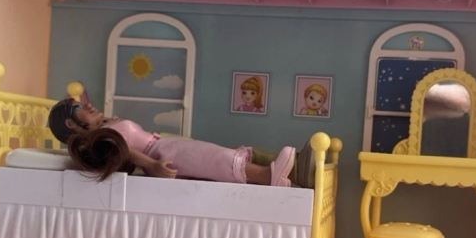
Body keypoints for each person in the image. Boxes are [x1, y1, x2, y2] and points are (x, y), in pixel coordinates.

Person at [47, 96, 295, 187]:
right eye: (79, 107)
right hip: (159, 153)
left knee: (212, 156)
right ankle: (266, 176)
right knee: (215, 160)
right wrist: (152, 165)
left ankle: (268, 174)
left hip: (164, 146)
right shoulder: (102, 139)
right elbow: (123, 151)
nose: (88, 105)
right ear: (70, 123)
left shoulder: (104, 130)